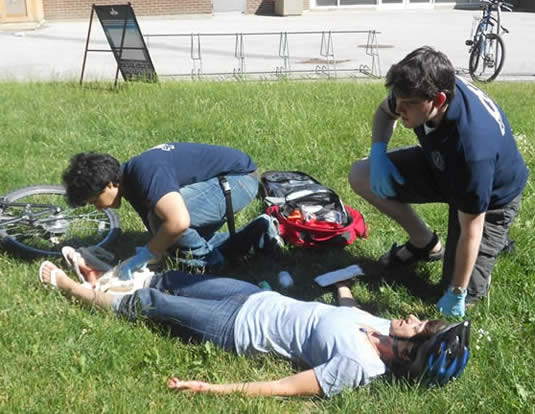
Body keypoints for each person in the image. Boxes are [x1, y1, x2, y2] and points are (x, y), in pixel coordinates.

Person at [39, 260, 469, 397]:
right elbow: (349, 308)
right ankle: (106, 280)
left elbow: (283, 386)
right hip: (253, 297)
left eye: (418, 326)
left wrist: (212, 388)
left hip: (234, 327)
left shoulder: (357, 367)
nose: (412, 317)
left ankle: (73, 288)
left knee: (154, 303)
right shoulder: (382, 327)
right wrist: (343, 285)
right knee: (171, 278)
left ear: (409, 353)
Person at [349, 46, 528, 317]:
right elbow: (385, 112)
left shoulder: (471, 151)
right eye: (398, 98)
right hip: (444, 165)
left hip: (491, 199)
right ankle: (425, 243)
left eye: (407, 103)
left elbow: (471, 228)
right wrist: (378, 152)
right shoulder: (421, 88)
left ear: (439, 99)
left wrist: (457, 292)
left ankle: (496, 239)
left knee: (460, 291)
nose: (399, 108)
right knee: (362, 175)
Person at [62, 142, 282, 275]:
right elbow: (164, 237)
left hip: (239, 180)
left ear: (109, 184)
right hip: (223, 184)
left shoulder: (145, 171)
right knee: (169, 239)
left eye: (94, 201)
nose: (98, 208)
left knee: (166, 222)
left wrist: (148, 253)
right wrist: (155, 251)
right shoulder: (130, 182)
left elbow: (177, 222)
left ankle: (211, 265)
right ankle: (258, 233)